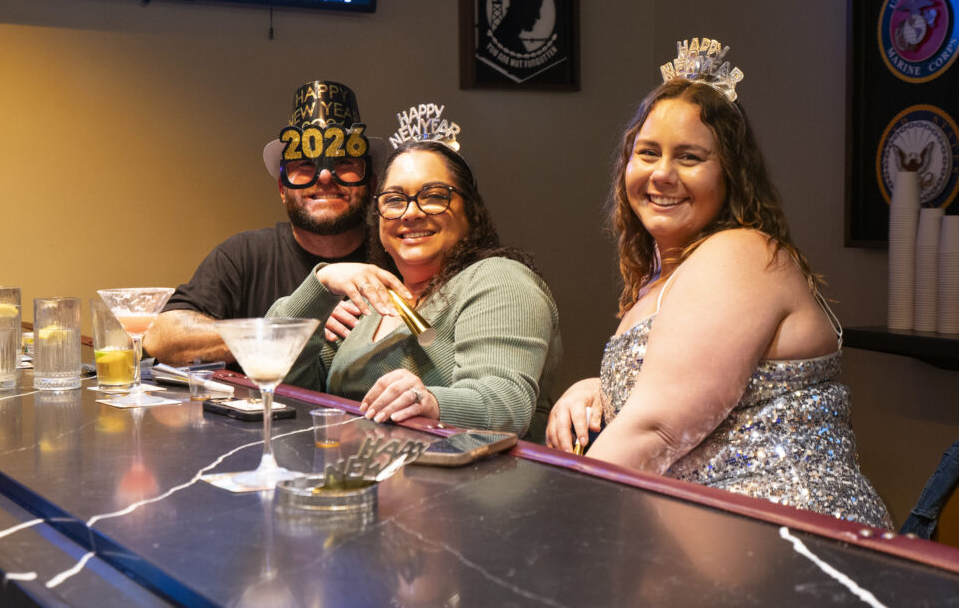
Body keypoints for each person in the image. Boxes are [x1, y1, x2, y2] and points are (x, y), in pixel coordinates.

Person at [546, 38, 891, 528]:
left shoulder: (739, 253)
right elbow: (684, 382)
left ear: (731, 174)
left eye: (689, 157)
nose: (662, 174)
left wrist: (550, 513)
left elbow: (658, 430)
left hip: (792, 532)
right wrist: (599, 389)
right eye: (647, 153)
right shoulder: (659, 278)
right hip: (714, 529)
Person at [268, 131, 562, 438]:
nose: (410, 213)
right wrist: (322, 283)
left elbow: (505, 405)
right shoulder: (372, 301)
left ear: (470, 211)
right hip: (348, 464)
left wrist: (430, 402)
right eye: (394, 200)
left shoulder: (499, 279)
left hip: (468, 468)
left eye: (433, 197)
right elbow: (277, 378)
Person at [144, 81, 387, 365]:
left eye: (344, 162)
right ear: (283, 190)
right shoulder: (245, 254)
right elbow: (161, 338)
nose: (324, 176)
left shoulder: (398, 255)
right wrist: (288, 329)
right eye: (305, 164)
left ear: (372, 185)